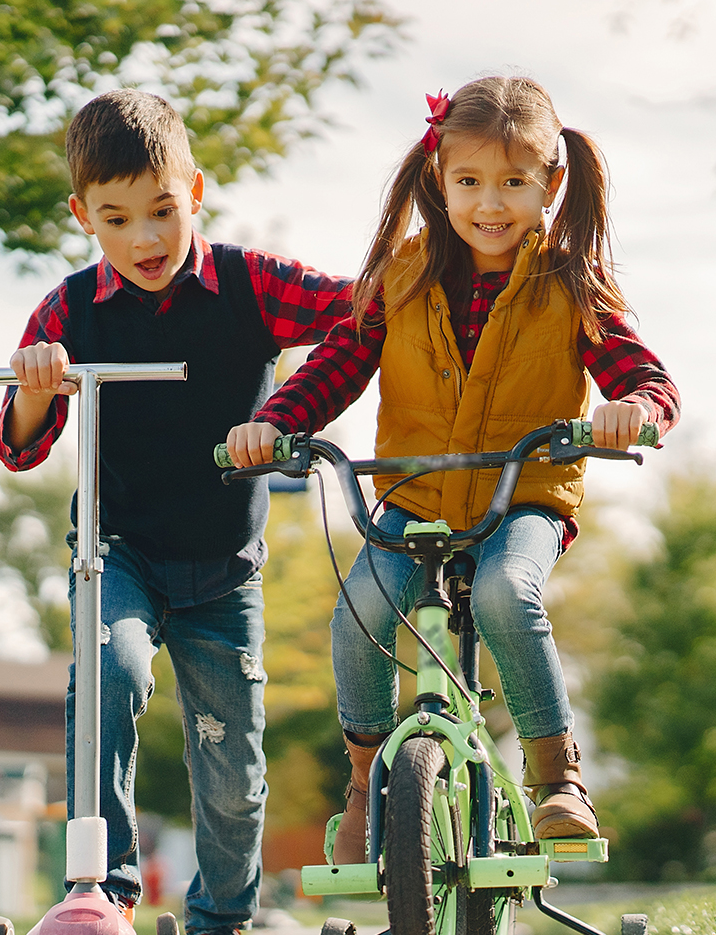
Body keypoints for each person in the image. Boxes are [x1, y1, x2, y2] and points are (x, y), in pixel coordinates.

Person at [224, 76, 681, 865]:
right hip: (414, 494)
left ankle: (556, 778)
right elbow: (334, 367)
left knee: (508, 589)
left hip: (523, 497)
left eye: (513, 182)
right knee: (363, 603)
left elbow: (650, 381)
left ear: (551, 184)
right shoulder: (402, 276)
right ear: (440, 179)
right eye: (469, 181)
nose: (489, 203)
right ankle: (366, 784)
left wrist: (634, 410)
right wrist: (276, 423)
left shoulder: (572, 285)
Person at [0, 88, 350, 935]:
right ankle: (99, 894)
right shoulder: (69, 309)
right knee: (107, 677)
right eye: (116, 219)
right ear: (83, 217)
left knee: (232, 759)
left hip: (224, 570)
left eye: (162, 210)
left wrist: (285, 414)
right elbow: (16, 443)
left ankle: (220, 928)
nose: (145, 237)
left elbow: (360, 313)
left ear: (197, 190)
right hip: (116, 553)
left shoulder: (249, 284)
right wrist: (39, 383)